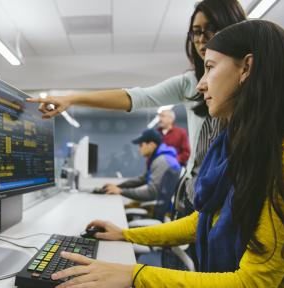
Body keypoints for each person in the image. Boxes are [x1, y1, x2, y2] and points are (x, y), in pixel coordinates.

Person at [50, 20, 284, 288]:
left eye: (210, 68)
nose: (201, 84)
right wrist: (125, 234)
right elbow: (203, 220)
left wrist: (134, 275)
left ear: (246, 68)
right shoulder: (236, 145)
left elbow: (253, 282)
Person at [28, 0, 247, 215]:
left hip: (235, 196)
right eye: (195, 32)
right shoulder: (190, 83)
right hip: (200, 196)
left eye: (210, 30)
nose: (201, 40)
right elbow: (137, 97)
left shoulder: (258, 97)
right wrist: (73, 99)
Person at [104, 129, 180, 206]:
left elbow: (152, 192)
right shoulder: (158, 158)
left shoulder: (162, 161)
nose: (139, 149)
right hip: (158, 205)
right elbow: (142, 179)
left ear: (151, 145)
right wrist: (118, 186)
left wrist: (121, 191)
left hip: (163, 210)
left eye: (141, 145)